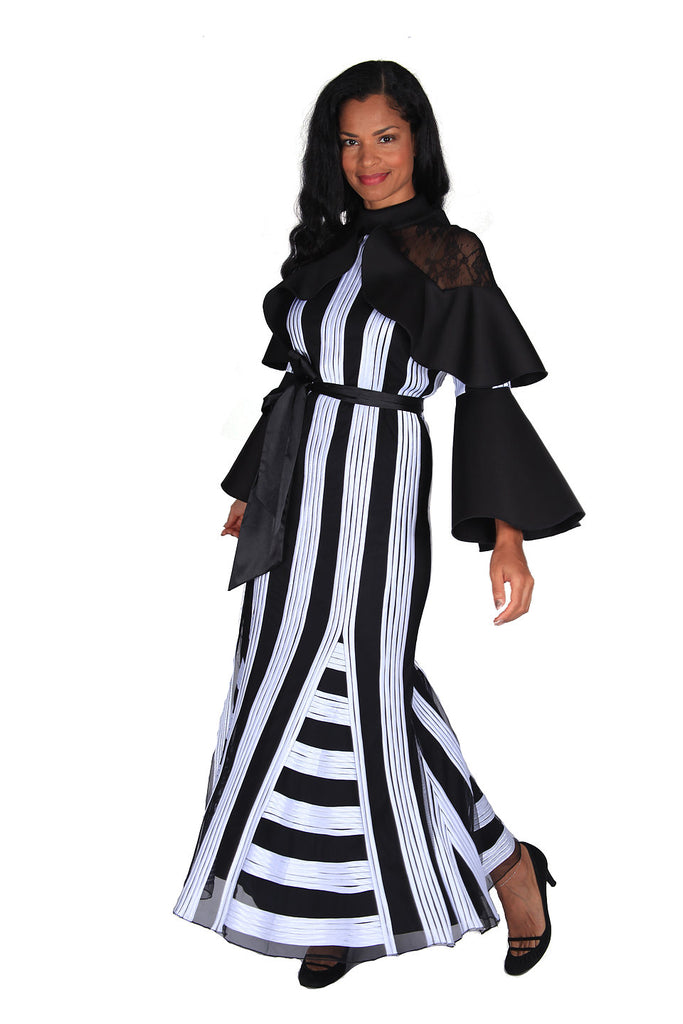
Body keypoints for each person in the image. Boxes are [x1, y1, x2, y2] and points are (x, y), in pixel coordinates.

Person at [172, 60, 584, 989]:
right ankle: (329, 902)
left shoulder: (447, 252)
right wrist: (254, 484)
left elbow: (484, 393)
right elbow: (297, 380)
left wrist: (507, 533)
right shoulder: (325, 248)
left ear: (416, 142)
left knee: (365, 684)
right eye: (350, 141)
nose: (367, 160)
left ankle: (507, 869)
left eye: (385, 138)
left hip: (374, 484)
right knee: (280, 682)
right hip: (294, 488)